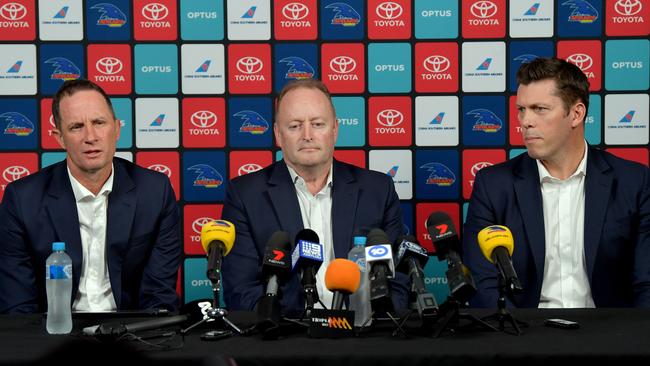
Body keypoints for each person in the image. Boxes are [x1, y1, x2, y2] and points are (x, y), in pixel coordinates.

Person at [463, 57, 650, 308]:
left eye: (539, 109)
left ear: (576, 114)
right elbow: (482, 284)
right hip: (524, 335)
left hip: (610, 336)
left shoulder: (633, 181)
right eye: (521, 109)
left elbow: (645, 282)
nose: (525, 121)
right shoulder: (493, 185)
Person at [221, 79, 408, 315]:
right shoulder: (246, 195)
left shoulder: (377, 189)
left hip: (364, 336)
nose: (307, 135)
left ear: (335, 130)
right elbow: (241, 289)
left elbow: (398, 280)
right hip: (285, 339)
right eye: (295, 126)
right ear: (278, 134)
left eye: (318, 124)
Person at [0, 79, 181, 314]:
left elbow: (158, 297)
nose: (91, 136)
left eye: (99, 122)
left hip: (133, 333)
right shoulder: (23, 199)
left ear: (116, 128)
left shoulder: (155, 192)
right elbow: (18, 306)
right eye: (76, 126)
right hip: (52, 335)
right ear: (59, 137)